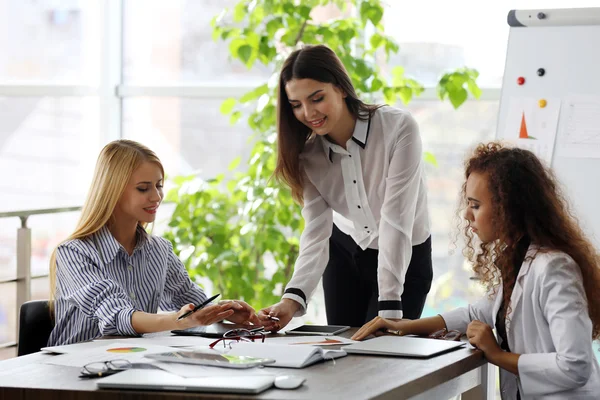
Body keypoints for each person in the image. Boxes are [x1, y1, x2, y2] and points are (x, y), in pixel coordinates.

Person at [352, 142, 600, 399]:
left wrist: (498, 355)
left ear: (509, 209)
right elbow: (475, 312)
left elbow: (575, 366)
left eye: (476, 205)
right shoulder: (518, 259)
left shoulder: (553, 268)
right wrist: (405, 326)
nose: (467, 215)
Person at [258, 44, 432, 332]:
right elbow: (316, 231)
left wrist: (388, 305)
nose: (308, 112)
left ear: (340, 87)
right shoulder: (307, 156)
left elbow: (396, 220)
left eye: (317, 98)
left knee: (384, 356)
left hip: (405, 254)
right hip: (344, 253)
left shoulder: (398, 127)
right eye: (296, 104)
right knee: (342, 357)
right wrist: (290, 301)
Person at [48, 140, 259, 346]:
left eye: (159, 186)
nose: (156, 196)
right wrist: (181, 321)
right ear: (112, 191)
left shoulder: (160, 250)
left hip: (129, 364)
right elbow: (115, 316)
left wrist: (225, 312)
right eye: (143, 188)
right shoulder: (73, 253)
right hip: (72, 371)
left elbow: (193, 302)